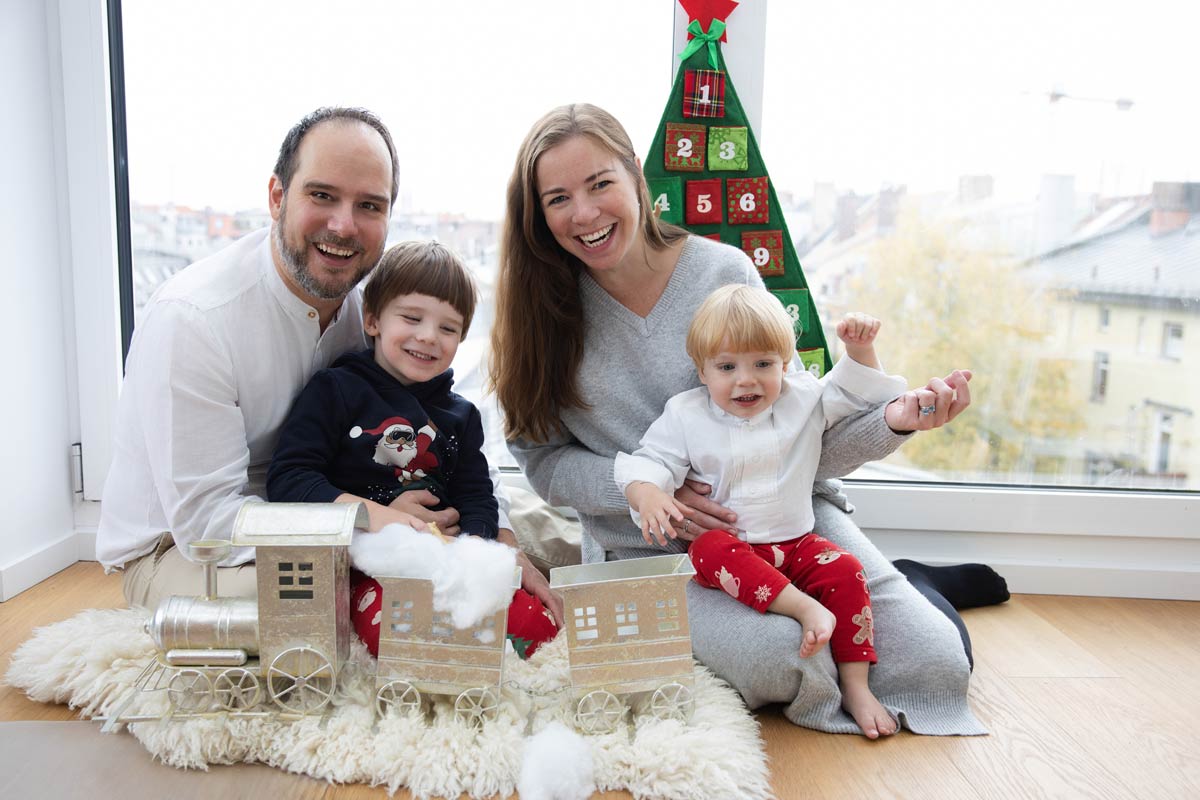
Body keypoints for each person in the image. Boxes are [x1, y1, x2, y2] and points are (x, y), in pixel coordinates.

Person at [489, 102, 1004, 736]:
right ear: (537, 214)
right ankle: (893, 583)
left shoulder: (723, 272)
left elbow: (802, 432)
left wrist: (895, 421)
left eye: (600, 184)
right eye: (559, 198)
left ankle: (909, 582)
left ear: (634, 179)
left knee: (934, 663)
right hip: (648, 550)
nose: (586, 213)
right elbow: (543, 462)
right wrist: (649, 491)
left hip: (786, 521)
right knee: (788, 661)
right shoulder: (539, 314)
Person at [97, 107, 565, 629]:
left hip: (360, 497)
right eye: (322, 196)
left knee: (538, 534)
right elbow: (208, 526)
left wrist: (499, 547)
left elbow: (456, 453)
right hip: (188, 547)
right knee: (328, 605)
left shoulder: (372, 312)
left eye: (369, 205)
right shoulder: (195, 321)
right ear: (277, 197)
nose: (343, 225)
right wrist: (378, 524)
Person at [617, 286, 907, 737]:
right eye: (727, 367)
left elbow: (856, 392)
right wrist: (647, 493)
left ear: (785, 364)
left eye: (763, 364)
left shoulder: (804, 398)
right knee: (705, 549)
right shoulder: (686, 413)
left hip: (797, 543)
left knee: (848, 569)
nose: (746, 381)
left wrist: (860, 348)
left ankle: (855, 684)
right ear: (702, 370)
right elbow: (648, 461)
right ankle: (803, 607)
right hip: (732, 553)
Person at [267, 240, 557, 658]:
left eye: (448, 328)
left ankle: (477, 651)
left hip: (449, 555)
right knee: (402, 631)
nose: (428, 337)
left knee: (536, 625)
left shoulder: (462, 415)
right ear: (372, 320)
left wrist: (474, 560)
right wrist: (378, 518)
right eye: (412, 318)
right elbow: (290, 480)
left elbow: (477, 495)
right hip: (368, 565)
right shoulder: (337, 390)